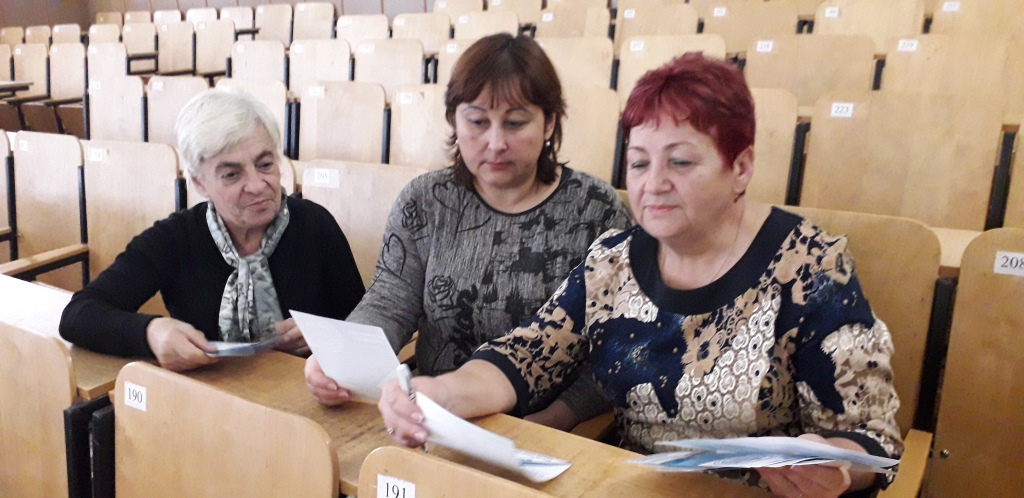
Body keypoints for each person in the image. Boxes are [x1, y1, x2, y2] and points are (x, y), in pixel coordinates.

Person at [377, 53, 903, 497]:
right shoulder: (613, 260)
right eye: (639, 163)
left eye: (680, 163)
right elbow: (527, 355)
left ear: (740, 167)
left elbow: (872, 437)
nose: (653, 185)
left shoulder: (810, 268)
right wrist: (440, 393)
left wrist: (834, 465)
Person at [304, 33, 632, 430]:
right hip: (430, 411)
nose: (495, 143)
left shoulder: (595, 210)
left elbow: (616, 346)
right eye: (477, 122)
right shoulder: (426, 200)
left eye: (515, 123)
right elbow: (389, 302)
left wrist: (554, 419)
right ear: (453, 121)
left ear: (549, 122)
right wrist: (340, 359)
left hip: (545, 425)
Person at [60, 89, 365, 371]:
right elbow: (79, 314)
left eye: (265, 164)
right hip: (211, 394)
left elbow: (364, 327)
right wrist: (150, 331)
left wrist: (325, 335)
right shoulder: (175, 238)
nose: (257, 185)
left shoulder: (314, 225)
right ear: (199, 183)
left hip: (307, 391)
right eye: (232, 174)